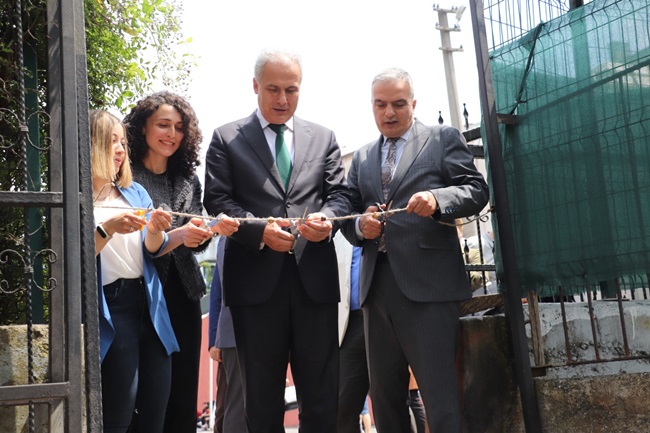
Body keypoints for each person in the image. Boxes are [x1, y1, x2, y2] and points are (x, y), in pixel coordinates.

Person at [203, 48, 351, 433]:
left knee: (322, 401)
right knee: (261, 404)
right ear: (255, 86)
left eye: (291, 89)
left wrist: (328, 219)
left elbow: (340, 195)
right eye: (273, 89)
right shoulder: (226, 138)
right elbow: (217, 199)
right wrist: (259, 232)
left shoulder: (324, 137)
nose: (283, 99)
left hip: (314, 284)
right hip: (255, 289)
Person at [342, 68, 489, 433]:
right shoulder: (362, 158)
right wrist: (361, 224)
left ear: (414, 103)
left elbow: (476, 190)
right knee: (385, 403)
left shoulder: (441, 139)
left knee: (441, 401)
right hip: (376, 293)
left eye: (398, 104)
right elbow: (346, 211)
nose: (389, 112)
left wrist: (438, 199)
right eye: (380, 104)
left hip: (429, 290)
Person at [123, 91, 239, 433]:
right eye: (163, 125)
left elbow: (195, 243)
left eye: (178, 127)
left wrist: (206, 232)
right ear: (142, 128)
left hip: (185, 295)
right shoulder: (126, 177)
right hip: (141, 294)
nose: (171, 134)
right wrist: (179, 234)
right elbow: (127, 243)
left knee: (183, 392)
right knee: (144, 396)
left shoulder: (189, 179)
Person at [91, 109, 175, 433]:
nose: (120, 150)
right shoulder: (78, 198)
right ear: (92, 145)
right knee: (118, 415)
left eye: (123, 143)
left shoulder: (135, 192)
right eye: (111, 141)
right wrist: (108, 228)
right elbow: (76, 258)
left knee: (155, 413)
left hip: (150, 305)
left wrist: (155, 228)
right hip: (112, 307)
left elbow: (153, 248)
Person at [208, 236, 246, 433]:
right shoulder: (227, 236)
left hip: (265, 334)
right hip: (231, 336)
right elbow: (217, 291)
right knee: (231, 406)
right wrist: (214, 339)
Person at [334, 231, 369, 433]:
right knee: (343, 408)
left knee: (392, 404)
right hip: (350, 322)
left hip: (389, 314)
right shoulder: (342, 227)